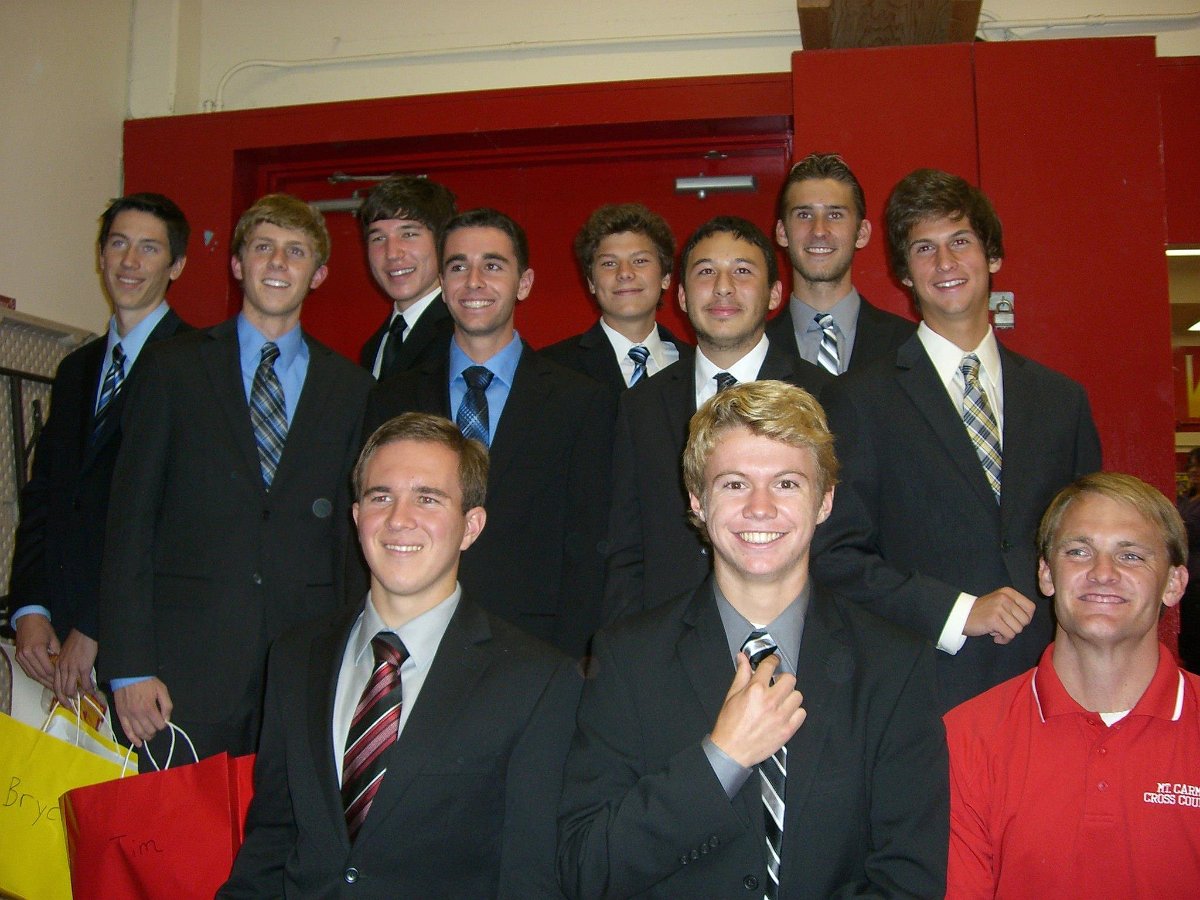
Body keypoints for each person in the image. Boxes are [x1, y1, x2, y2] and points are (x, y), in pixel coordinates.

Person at [559, 380, 947, 899]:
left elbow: (909, 882)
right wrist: (722, 758)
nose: (760, 508)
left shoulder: (895, 666)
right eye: (734, 484)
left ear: (825, 501)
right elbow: (587, 869)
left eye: (786, 483)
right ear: (697, 501)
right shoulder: (627, 659)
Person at [220, 413, 579, 898]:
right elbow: (271, 843)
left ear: (471, 526)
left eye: (427, 498)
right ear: (356, 517)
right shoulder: (294, 658)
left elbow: (529, 878)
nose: (399, 519)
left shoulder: (536, 682)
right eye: (380, 497)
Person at [812, 169, 1102, 710]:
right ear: (905, 274)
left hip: (1058, 678)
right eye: (924, 248)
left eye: (960, 242)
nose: (944, 263)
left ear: (992, 256)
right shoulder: (858, 401)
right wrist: (956, 611)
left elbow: (1093, 538)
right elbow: (833, 554)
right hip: (928, 684)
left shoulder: (1061, 401)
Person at [99, 193, 373, 762]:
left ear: (318, 274)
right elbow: (129, 522)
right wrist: (129, 666)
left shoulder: (350, 390)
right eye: (263, 247)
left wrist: (353, 667)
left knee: (285, 822)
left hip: (303, 670)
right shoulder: (173, 368)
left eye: (296, 252)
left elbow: (350, 543)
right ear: (237, 264)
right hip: (179, 675)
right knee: (174, 822)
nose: (278, 263)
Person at [363, 208, 614, 658]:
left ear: (524, 283)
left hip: (534, 647)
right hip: (410, 639)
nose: (474, 281)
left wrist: (576, 662)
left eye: (493, 266)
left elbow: (589, 550)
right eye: (458, 266)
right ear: (442, 284)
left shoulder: (581, 403)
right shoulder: (392, 398)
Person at [945, 472, 1200, 898]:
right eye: (1079, 551)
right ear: (1046, 574)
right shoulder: (968, 737)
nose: (1103, 573)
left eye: (1131, 555)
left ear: (1174, 584)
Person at [11, 193, 193, 707]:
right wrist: (30, 608)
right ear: (100, 256)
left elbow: (176, 521)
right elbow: (45, 495)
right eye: (118, 244)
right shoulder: (76, 369)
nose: (129, 262)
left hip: (141, 647)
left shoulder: (197, 368)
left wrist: (97, 625)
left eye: (149, 248)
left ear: (177, 265)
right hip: (53, 641)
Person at [604, 216, 830, 622]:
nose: (723, 287)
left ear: (775, 293)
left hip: (794, 630)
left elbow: (840, 541)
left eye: (742, 271)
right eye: (706, 272)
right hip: (669, 634)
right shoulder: (641, 406)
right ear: (682, 296)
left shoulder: (826, 396)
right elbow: (626, 548)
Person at [767, 152, 914, 374]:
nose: (819, 230)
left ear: (862, 233)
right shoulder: (754, 347)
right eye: (804, 215)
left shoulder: (909, 344)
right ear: (781, 232)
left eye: (835, 215)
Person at [541, 203, 691, 395]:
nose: (625, 273)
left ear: (666, 277)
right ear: (591, 282)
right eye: (609, 263)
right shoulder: (551, 368)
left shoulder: (696, 365)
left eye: (640, 261)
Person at [357, 176, 457, 380]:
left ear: (443, 242)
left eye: (408, 234)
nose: (392, 253)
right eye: (378, 238)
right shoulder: (374, 347)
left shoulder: (462, 336)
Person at [1176, 446, 1200, 671]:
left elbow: (1185, 532)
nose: (1194, 471)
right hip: (1187, 586)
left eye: (1198, 466)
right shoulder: (1185, 499)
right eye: (1191, 466)